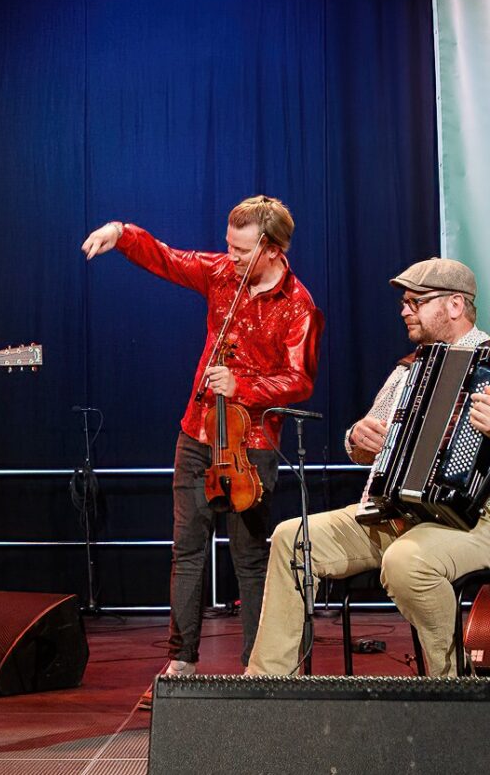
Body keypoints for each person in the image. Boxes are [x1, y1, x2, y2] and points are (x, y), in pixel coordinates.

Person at [81, 196, 323, 700]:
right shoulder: (220, 275)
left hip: (252, 444)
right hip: (197, 432)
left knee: (250, 558)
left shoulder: (298, 304)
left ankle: (259, 670)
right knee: (186, 551)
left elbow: (299, 380)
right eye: (228, 246)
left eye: (240, 249)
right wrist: (122, 232)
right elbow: (168, 258)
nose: (228, 256)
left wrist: (246, 387)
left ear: (273, 248)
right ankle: (180, 660)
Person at [247, 257, 490, 676]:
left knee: (407, 561)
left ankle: (452, 688)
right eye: (404, 301)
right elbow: (364, 444)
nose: (404, 310)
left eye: (416, 301)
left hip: (474, 524)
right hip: (396, 515)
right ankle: (267, 690)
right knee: (292, 538)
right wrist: (357, 438)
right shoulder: (409, 371)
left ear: (454, 305)